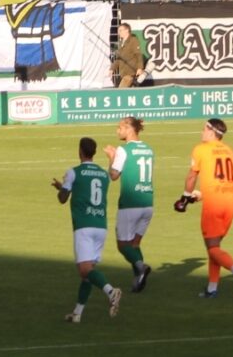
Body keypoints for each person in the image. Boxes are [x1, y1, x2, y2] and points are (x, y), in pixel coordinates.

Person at [53, 136, 123, 323]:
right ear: (94, 152)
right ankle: (77, 313)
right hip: (100, 226)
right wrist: (66, 188)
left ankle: (111, 292)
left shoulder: (73, 172)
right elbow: (89, 191)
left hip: (84, 226)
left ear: (80, 151)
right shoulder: (103, 174)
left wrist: (62, 187)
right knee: (88, 273)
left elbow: (62, 199)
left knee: (84, 270)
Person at [179, 117, 233, 299]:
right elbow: (222, 180)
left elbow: (191, 176)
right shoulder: (229, 150)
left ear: (211, 131)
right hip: (230, 202)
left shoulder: (201, 149)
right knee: (215, 247)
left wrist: (185, 197)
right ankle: (212, 288)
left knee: (212, 247)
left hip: (214, 205)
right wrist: (200, 195)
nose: (202, 132)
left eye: (204, 128)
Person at [108, 116, 155, 292]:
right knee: (135, 244)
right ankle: (139, 280)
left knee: (123, 246)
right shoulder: (149, 149)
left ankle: (142, 268)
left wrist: (111, 157)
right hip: (148, 203)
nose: (117, 131)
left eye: (120, 127)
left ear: (129, 128)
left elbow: (114, 175)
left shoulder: (123, 150)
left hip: (130, 204)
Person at [111, 23, 145, 89]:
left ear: (127, 30)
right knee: (130, 91)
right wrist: (112, 69)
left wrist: (140, 68)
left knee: (121, 91)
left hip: (130, 73)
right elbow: (119, 59)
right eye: (118, 31)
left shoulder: (133, 40)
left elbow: (138, 55)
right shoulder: (121, 43)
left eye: (120, 30)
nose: (119, 33)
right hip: (123, 73)